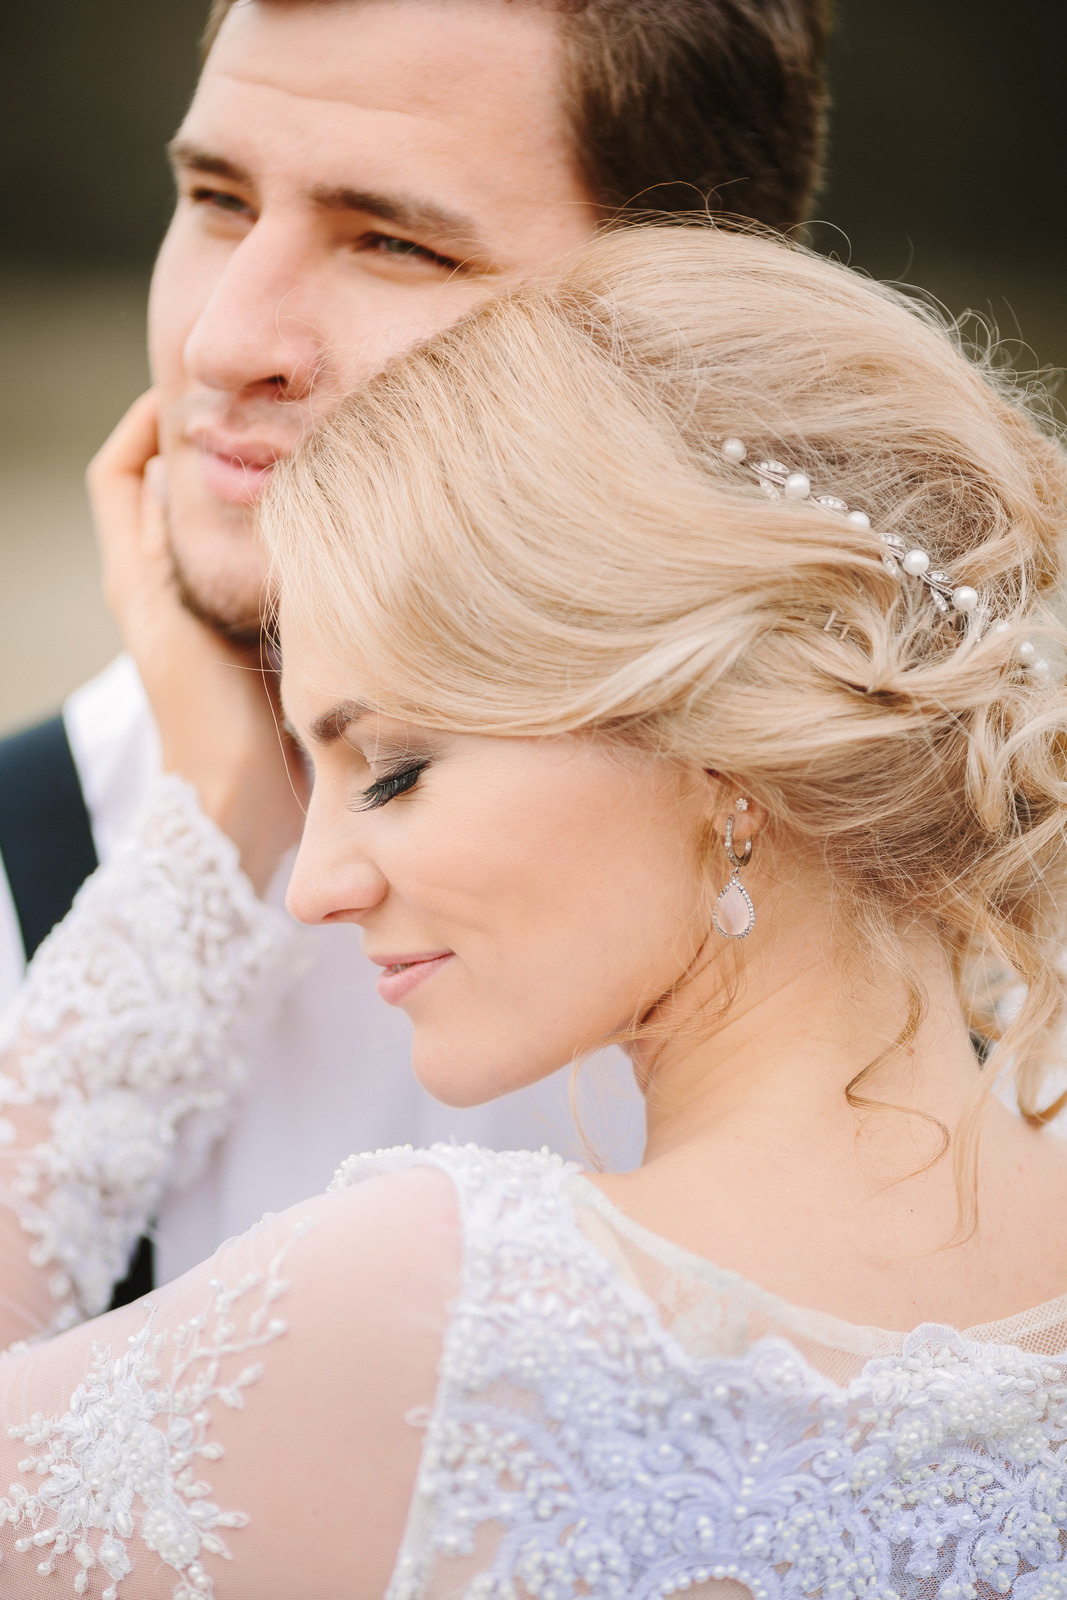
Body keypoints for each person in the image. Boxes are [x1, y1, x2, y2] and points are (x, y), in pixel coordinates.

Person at [3, 224, 1067, 1597]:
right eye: (296, 778)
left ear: (717, 744)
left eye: (390, 768)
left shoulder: (448, 1313)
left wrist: (203, 826)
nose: (316, 883)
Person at [0, 0, 831, 1305]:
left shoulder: (953, 933)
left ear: (691, 329)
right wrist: (211, 827)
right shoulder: (20, 880)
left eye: (391, 242)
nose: (223, 344)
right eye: (217, 199)